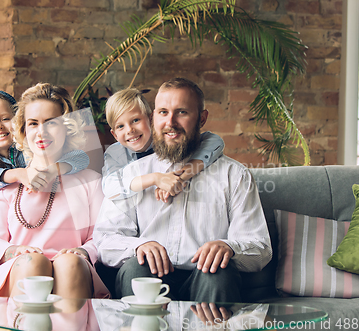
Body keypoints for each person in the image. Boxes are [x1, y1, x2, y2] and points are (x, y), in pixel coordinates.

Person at [93, 78, 272, 302]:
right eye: (163, 112)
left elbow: (261, 248)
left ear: (202, 118)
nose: (170, 122)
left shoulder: (234, 175)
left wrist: (229, 247)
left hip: (207, 278)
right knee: (136, 269)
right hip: (150, 274)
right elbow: (105, 239)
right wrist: (140, 245)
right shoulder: (132, 175)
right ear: (153, 117)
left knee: (219, 272)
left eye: (182, 112)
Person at [0, 83, 109, 302]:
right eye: (33, 124)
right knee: (33, 262)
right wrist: (14, 252)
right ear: (23, 129)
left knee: (70, 264)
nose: (41, 132)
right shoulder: (7, 184)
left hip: (74, 273)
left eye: (51, 123)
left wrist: (84, 252)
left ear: (67, 128)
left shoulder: (91, 182)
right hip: (18, 270)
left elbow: (101, 236)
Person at [102, 88, 225, 201]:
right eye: (120, 126)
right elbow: (110, 187)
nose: (129, 130)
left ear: (151, 119)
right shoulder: (114, 153)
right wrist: (155, 178)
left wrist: (186, 172)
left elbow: (214, 141)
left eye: (135, 120)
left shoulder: (165, 139)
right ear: (115, 135)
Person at [0, 89, 89, 192]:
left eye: (5, 118)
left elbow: (81, 157)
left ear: (18, 123)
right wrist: (20, 174)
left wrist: (54, 170)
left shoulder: (30, 147)